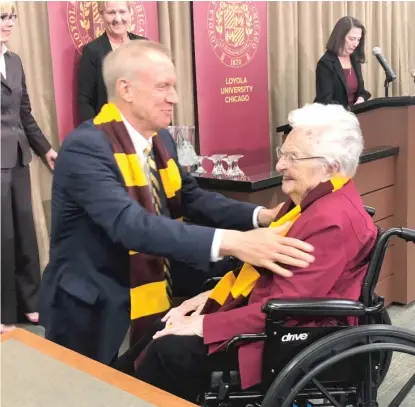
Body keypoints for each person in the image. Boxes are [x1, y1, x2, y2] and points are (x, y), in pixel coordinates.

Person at [39, 40, 315, 363]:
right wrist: (235, 242)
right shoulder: (85, 148)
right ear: (125, 89)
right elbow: (130, 225)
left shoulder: (160, 139)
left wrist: (261, 216)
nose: (175, 97)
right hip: (90, 307)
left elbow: (192, 198)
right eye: (163, 87)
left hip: (147, 290)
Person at [114, 103, 378, 403]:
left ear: (330, 167)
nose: (280, 166)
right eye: (283, 154)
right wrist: (208, 299)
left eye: (292, 157)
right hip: (267, 315)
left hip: (285, 337)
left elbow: (288, 307)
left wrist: (204, 324)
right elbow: (263, 272)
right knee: (164, 325)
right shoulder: (310, 202)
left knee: (168, 351)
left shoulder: (331, 220)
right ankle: (105, 389)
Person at [0, 2, 57, 334]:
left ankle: (31, 304)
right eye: (2, 18)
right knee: (2, 236)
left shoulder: (14, 60)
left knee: (24, 233)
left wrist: (46, 149)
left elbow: (24, 113)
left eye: (12, 17)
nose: (9, 23)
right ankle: (4, 312)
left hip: (19, 156)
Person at [77, 1, 146, 122]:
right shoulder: (92, 51)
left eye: (122, 12)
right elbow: (85, 101)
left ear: (130, 13)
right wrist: (94, 135)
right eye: (111, 12)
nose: (118, 18)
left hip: (143, 127)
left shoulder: (144, 45)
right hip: (109, 130)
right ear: (101, 15)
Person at [314, 16, 371, 108]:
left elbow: (361, 91)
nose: (356, 44)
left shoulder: (354, 60)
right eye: (352, 39)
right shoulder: (326, 63)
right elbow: (325, 101)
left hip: (355, 115)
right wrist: (348, 111)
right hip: (335, 118)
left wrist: (361, 99)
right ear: (339, 37)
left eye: (358, 39)